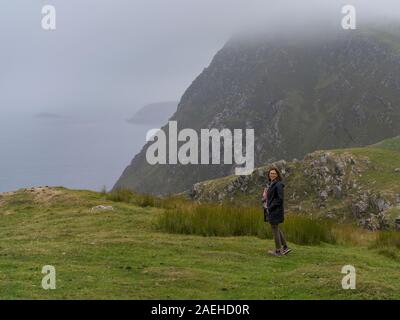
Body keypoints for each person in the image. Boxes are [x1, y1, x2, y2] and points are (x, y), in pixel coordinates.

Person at [262, 167, 292, 257]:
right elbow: (270, 197)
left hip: (275, 211)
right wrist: (264, 196)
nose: (272, 175)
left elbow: (280, 199)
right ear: (269, 175)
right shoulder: (271, 184)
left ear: (277, 175)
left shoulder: (278, 184)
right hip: (273, 210)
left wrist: (270, 207)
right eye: (271, 173)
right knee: (276, 228)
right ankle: (285, 248)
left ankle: (278, 251)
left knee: (274, 229)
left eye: (274, 173)